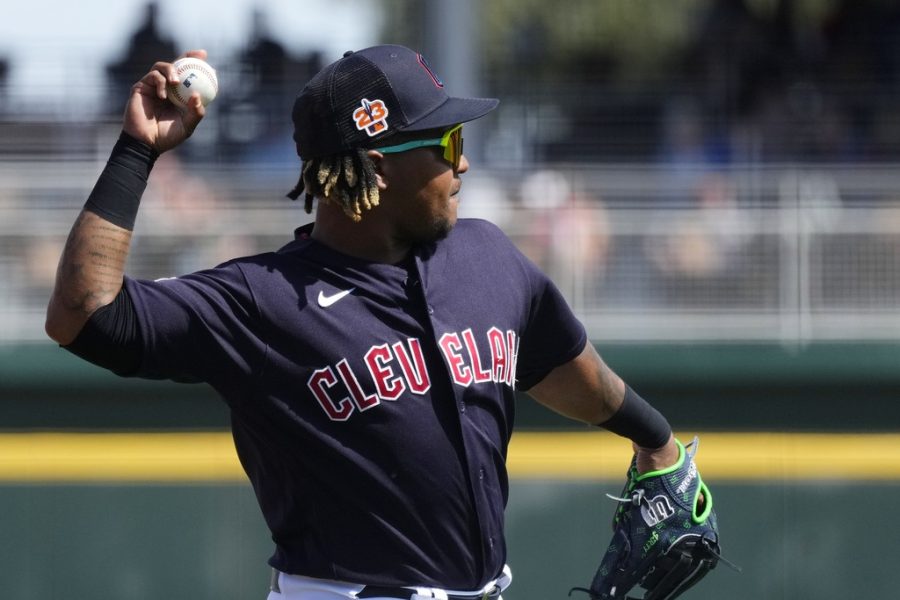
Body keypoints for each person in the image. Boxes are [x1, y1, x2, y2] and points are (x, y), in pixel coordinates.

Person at [45, 46, 684, 600]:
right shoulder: (263, 301)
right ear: (377, 167)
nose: (463, 164)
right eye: (447, 143)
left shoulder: (487, 257)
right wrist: (137, 151)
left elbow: (556, 362)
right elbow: (84, 315)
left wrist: (656, 440)